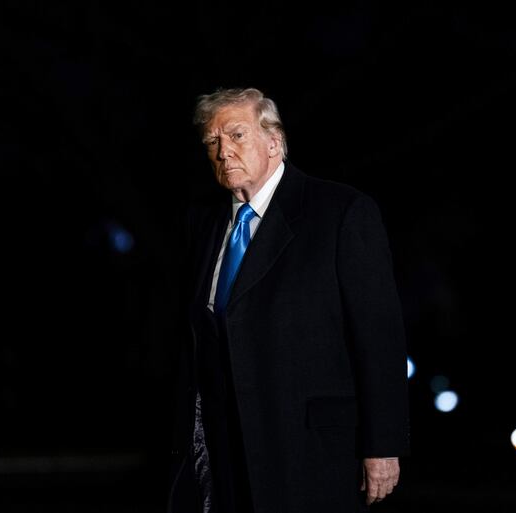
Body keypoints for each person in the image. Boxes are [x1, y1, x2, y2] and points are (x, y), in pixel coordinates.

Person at [168, 87, 410, 513]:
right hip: (224, 454)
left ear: (274, 141)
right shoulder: (202, 223)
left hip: (309, 448)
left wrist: (383, 445)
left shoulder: (340, 212)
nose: (224, 151)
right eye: (212, 141)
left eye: (237, 135)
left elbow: (379, 338)